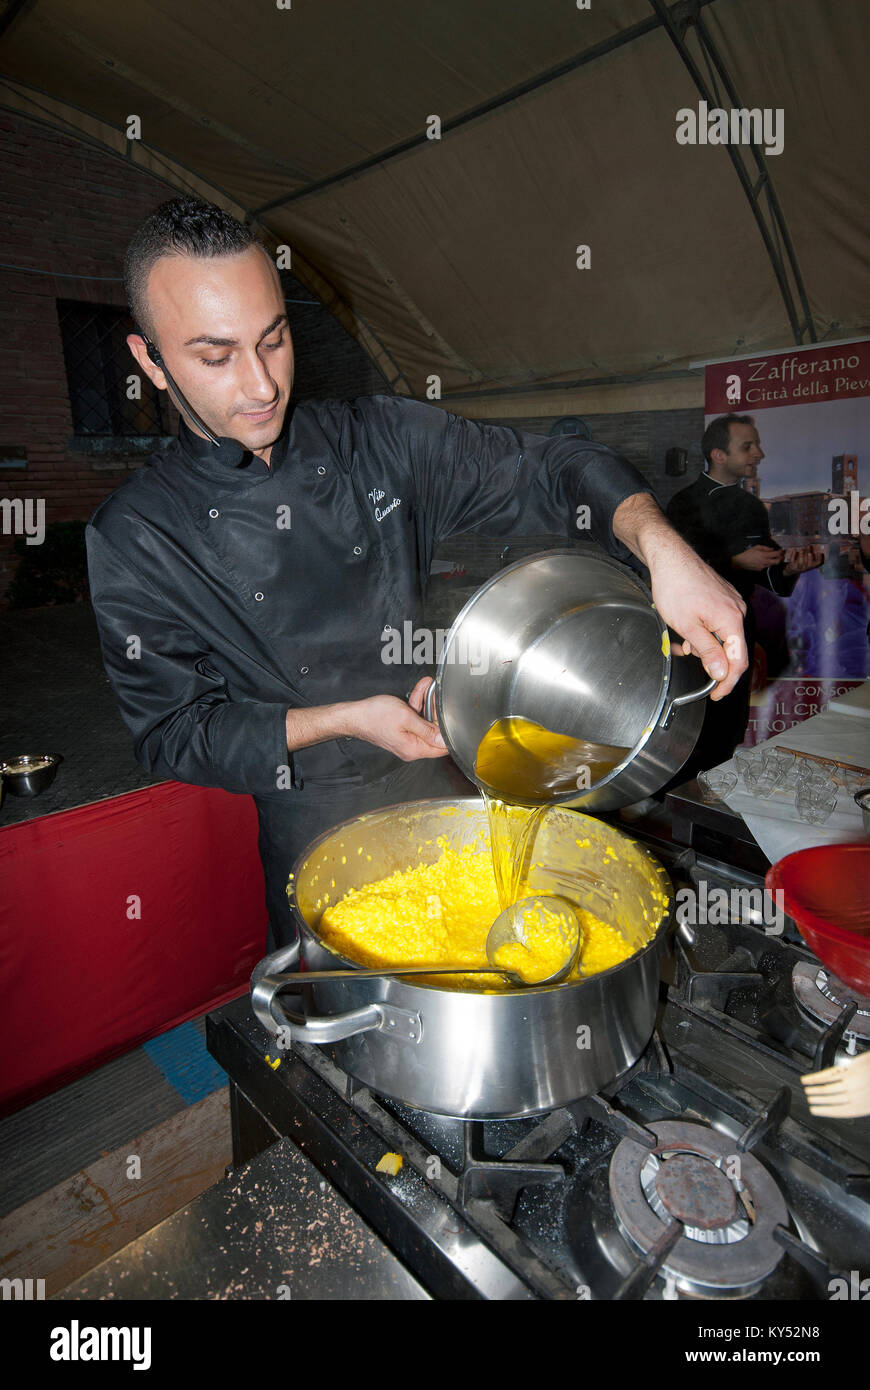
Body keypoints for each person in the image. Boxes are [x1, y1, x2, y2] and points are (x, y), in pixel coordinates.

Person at [85, 197, 749, 950]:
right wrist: (340, 719)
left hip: (447, 776)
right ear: (150, 360)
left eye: (273, 340)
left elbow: (559, 465)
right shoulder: (137, 534)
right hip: (314, 822)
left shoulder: (382, 440)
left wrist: (663, 547)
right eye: (216, 357)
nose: (262, 384)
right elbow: (172, 733)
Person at [665, 413, 824, 777]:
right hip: (693, 634)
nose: (759, 454)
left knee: (729, 725)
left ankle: (712, 801)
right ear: (718, 454)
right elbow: (676, 571)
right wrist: (735, 560)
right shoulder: (683, 504)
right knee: (692, 722)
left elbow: (765, 572)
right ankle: (675, 800)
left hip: (739, 629)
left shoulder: (752, 507)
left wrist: (788, 569)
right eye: (748, 446)